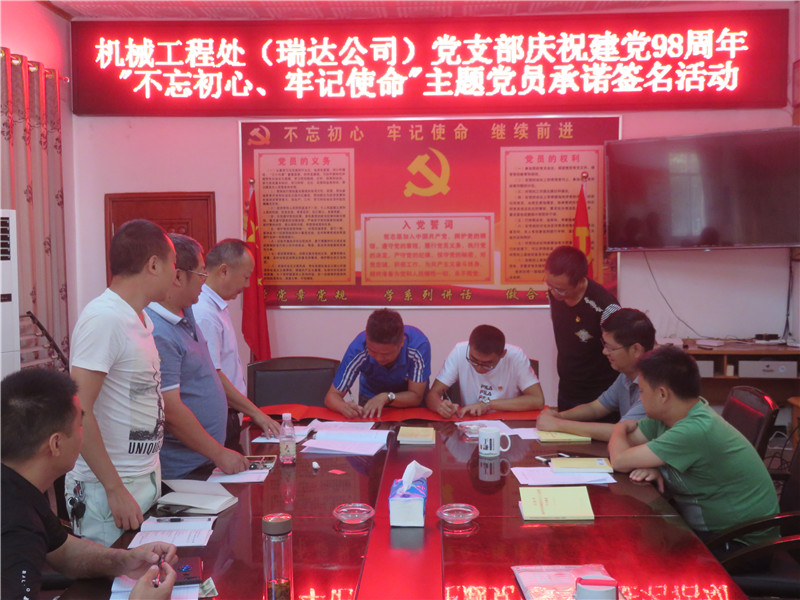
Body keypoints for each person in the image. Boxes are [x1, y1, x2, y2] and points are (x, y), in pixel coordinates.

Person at [2, 368, 178, 600]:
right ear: (56, 444)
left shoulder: (19, 486)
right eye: (80, 426)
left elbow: (63, 551)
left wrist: (125, 560)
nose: (84, 436)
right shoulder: (15, 528)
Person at [66, 219, 176, 546]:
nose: (176, 275)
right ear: (153, 265)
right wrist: (113, 488)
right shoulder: (104, 318)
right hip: (109, 488)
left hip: (143, 475)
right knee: (114, 576)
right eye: (173, 264)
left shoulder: (141, 318)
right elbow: (78, 410)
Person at [608, 346, 779, 549]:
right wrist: (658, 466)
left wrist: (618, 427)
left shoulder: (694, 429)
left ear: (662, 394)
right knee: (636, 536)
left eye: (643, 392)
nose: (640, 399)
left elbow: (620, 460)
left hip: (740, 543)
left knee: (637, 546)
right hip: (715, 530)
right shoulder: (678, 414)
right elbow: (630, 442)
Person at [146, 234, 252, 480]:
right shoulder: (159, 332)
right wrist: (218, 453)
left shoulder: (188, 312)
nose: (204, 282)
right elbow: (171, 410)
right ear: (178, 277)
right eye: (201, 274)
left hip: (205, 461)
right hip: (183, 470)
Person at [193, 239, 280, 446]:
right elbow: (214, 376)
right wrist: (256, 413)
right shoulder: (204, 313)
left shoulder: (216, 307)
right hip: (217, 416)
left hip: (229, 413)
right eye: (245, 277)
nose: (247, 285)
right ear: (224, 271)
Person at [536, 308, 655, 441]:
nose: (604, 352)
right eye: (604, 345)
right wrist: (560, 416)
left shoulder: (655, 384)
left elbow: (624, 433)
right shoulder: (625, 375)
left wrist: (558, 425)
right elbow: (596, 408)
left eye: (610, 347)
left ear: (636, 350)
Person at [544, 245, 620, 412]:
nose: (554, 293)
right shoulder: (555, 291)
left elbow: (619, 351)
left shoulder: (606, 307)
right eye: (549, 285)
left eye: (560, 290)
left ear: (579, 282)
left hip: (600, 394)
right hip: (567, 388)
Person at [325, 309, 431, 419]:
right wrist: (343, 407)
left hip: (409, 402)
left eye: (386, 354)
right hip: (371, 399)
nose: (379, 359)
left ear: (402, 343)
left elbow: (416, 396)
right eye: (373, 351)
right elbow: (332, 396)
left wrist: (387, 397)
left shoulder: (417, 346)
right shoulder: (358, 348)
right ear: (366, 339)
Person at [426, 325, 544, 418]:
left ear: (503, 354)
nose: (478, 368)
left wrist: (487, 404)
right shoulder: (459, 351)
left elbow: (537, 400)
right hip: (470, 422)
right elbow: (432, 395)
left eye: (487, 364)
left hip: (508, 422)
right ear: (469, 346)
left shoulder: (515, 356)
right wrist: (440, 406)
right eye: (473, 360)